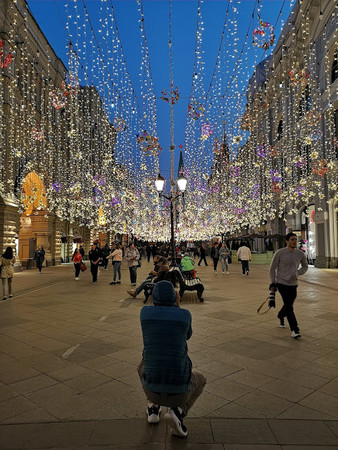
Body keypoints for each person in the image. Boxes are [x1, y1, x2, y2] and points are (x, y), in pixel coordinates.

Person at [138, 280, 206, 437]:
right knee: (201, 378)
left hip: (151, 388)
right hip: (180, 391)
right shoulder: (184, 315)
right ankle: (178, 412)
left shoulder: (145, 313)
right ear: (175, 296)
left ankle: (153, 407)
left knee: (145, 358)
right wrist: (177, 305)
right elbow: (187, 335)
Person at [269, 232, 308, 339]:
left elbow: (305, 266)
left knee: (288, 304)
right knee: (289, 306)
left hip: (294, 284)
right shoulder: (280, 253)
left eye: (295, 239)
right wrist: (273, 282)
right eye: (292, 239)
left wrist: (298, 273)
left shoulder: (300, 254)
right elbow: (272, 269)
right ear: (287, 241)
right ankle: (295, 329)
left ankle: (281, 315)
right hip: (282, 283)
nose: (294, 241)